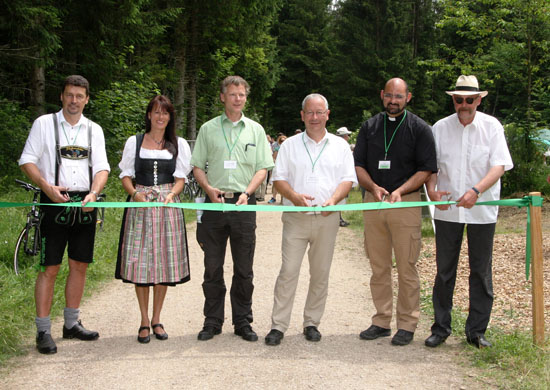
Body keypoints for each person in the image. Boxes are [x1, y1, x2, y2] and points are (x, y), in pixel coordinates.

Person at [19, 75, 110, 354]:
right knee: (50, 268)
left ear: (87, 99)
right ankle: (43, 330)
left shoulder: (94, 129)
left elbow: (102, 168)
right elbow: (27, 160)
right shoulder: (44, 124)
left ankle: (71, 324)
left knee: (79, 265)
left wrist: (94, 193)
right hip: (53, 200)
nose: (74, 101)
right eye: (69, 95)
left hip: (85, 203)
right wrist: (46, 187)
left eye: (79, 96)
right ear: (61, 96)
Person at [424, 75, 513, 349]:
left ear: (479, 99)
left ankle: (476, 331)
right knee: (444, 271)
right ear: (453, 99)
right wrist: (432, 192)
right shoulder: (439, 127)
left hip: (482, 211)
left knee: (481, 270)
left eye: (469, 99)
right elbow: (431, 167)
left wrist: (476, 190)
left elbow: (499, 166)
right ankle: (440, 328)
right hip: (448, 210)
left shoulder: (492, 127)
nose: (464, 104)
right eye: (459, 99)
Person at [265, 94, 357, 346]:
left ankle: (311, 322)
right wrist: (294, 197)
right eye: (309, 113)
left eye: (319, 113)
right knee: (288, 271)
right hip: (296, 217)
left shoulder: (340, 146)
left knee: (320, 273)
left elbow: (347, 180)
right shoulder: (290, 145)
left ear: (328, 114)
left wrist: (334, 200)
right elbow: (279, 179)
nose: (314, 118)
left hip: (328, 217)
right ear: (302, 115)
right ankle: (278, 325)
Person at [354, 78, 437, 346]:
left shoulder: (420, 129)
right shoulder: (369, 127)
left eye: (398, 96)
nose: (393, 100)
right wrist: (373, 187)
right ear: (381, 96)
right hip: (373, 202)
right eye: (389, 95)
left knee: (406, 266)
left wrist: (400, 190)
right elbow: (358, 166)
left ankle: (408, 324)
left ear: (408, 97)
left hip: (406, 202)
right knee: (378, 267)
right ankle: (381, 320)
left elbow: (426, 169)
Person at [191, 75, 274, 342]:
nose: (238, 99)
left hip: (244, 204)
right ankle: (212, 321)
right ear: (222, 97)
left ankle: (242, 322)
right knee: (212, 268)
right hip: (214, 205)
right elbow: (196, 166)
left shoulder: (255, 130)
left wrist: (248, 192)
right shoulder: (208, 129)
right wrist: (208, 189)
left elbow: (263, 167)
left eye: (242, 95)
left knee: (244, 269)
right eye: (233, 94)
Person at [116, 95, 192, 343]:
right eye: (156, 112)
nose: (161, 117)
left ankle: (157, 318)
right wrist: (135, 194)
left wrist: (171, 194)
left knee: (163, 262)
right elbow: (126, 176)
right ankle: (143, 320)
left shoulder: (178, 143)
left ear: (170, 117)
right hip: (141, 205)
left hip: (167, 206)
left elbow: (181, 179)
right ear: (149, 115)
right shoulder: (135, 142)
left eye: (165, 113)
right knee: (141, 263)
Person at [336, 126, 353, 227]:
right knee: (339, 198)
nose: (348, 137)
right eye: (347, 135)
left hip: (342, 177)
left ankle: (339, 218)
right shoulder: (342, 146)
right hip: (340, 178)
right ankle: (338, 219)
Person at [268, 135, 287, 204]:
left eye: (284, 140)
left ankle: (282, 199)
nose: (283, 142)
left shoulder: (288, 147)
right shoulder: (276, 148)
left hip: (286, 168)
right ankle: (274, 197)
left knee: (285, 183)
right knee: (276, 183)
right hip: (278, 167)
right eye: (281, 140)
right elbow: (274, 157)